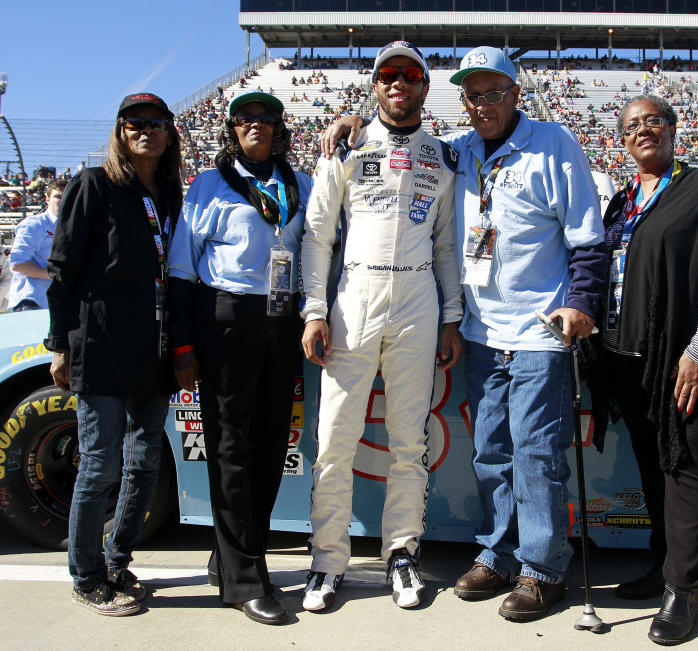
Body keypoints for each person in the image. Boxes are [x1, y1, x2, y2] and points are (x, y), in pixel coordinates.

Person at [320, 45, 606, 622]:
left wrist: (581, 303)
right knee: (490, 453)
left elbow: (589, 238)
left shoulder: (555, 144)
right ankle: (498, 554)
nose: (483, 104)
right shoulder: (458, 152)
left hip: (537, 330)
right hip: (479, 329)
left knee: (536, 455)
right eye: (473, 95)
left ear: (515, 93)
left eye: (494, 92)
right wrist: (353, 119)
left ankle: (543, 569)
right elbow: (396, 140)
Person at [299, 40, 462, 613]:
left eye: (410, 74)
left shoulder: (445, 158)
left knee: (408, 443)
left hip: (418, 296)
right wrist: (314, 310)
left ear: (424, 84)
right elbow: (317, 236)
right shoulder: (344, 145)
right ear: (374, 85)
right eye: (388, 74)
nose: (399, 83)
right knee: (334, 441)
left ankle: (402, 555)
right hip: (355, 295)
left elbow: (446, 246)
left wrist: (451, 317)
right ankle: (326, 562)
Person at [590, 95, 698, 645]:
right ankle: (664, 567)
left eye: (654, 121)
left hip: (686, 360)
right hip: (631, 361)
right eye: (633, 125)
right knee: (653, 465)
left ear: (673, 129)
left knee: (687, 468)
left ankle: (684, 590)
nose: (644, 131)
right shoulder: (622, 200)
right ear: (622, 138)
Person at [167, 91, 312, 625]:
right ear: (233, 127)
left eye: (266, 118)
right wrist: (183, 344)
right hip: (225, 323)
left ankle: (231, 552)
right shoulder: (210, 183)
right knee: (231, 449)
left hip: (282, 321)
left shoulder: (299, 184)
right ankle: (246, 579)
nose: (257, 125)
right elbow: (182, 268)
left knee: (272, 445)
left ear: (278, 128)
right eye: (246, 118)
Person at [45, 93, 183, 616]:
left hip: (154, 348)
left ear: (170, 132)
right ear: (121, 132)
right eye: (134, 124)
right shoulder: (94, 185)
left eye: (155, 123)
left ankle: (116, 558)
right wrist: (60, 344)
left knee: (144, 462)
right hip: (99, 345)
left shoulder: (170, 192)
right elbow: (62, 270)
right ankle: (85, 576)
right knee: (100, 463)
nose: (145, 131)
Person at [7, 180, 66, 311]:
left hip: (57, 302)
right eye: (57, 196)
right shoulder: (35, 225)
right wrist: (55, 275)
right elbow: (17, 263)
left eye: (66, 196)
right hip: (32, 301)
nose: (62, 201)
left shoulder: (71, 229)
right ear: (47, 199)